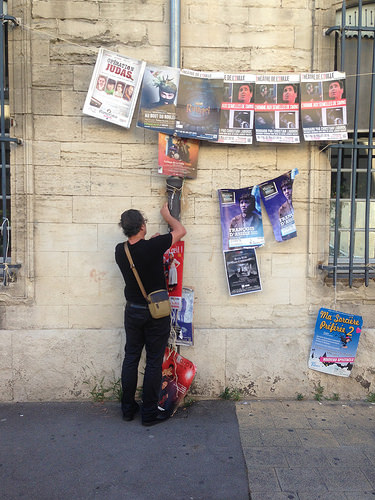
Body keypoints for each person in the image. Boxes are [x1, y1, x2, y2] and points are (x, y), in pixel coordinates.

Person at [115, 202, 186, 426]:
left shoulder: (120, 250)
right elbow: (181, 231)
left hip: (133, 311)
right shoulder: (153, 246)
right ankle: (148, 414)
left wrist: (153, 242)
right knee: (154, 362)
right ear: (142, 226)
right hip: (156, 312)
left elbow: (140, 254)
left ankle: (127, 410)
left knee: (131, 358)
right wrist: (167, 215)